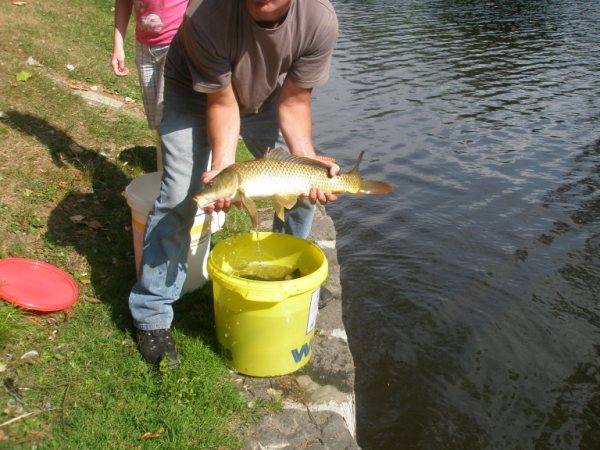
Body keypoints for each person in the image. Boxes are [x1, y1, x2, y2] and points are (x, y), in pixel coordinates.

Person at [129, 0, 340, 369]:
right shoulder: (204, 15)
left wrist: (306, 164)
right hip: (193, 93)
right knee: (180, 196)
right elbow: (221, 103)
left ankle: (285, 274)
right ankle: (151, 313)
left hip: (266, 93)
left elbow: (294, 101)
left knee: (302, 193)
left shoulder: (319, 18)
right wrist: (225, 169)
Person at [111, 0, 189, 170]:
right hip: (144, 48)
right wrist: (118, 44)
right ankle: (167, 176)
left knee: (168, 120)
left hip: (176, 44)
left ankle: (177, 180)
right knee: (157, 122)